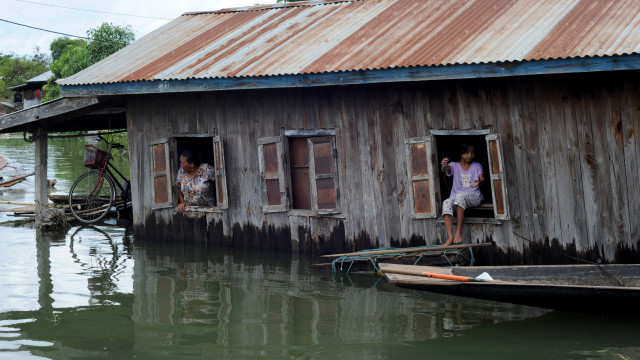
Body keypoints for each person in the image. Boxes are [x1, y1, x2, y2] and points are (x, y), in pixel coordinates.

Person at [440, 143, 485, 246]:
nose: (469, 155)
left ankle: (458, 231)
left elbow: (482, 178)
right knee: (446, 202)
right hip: (457, 197)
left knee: (460, 197)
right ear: (461, 153)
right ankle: (450, 237)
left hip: (474, 197)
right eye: (466, 153)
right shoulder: (454, 165)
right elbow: (446, 169)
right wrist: (444, 165)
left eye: (472, 153)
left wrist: (479, 181)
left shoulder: (476, 166)